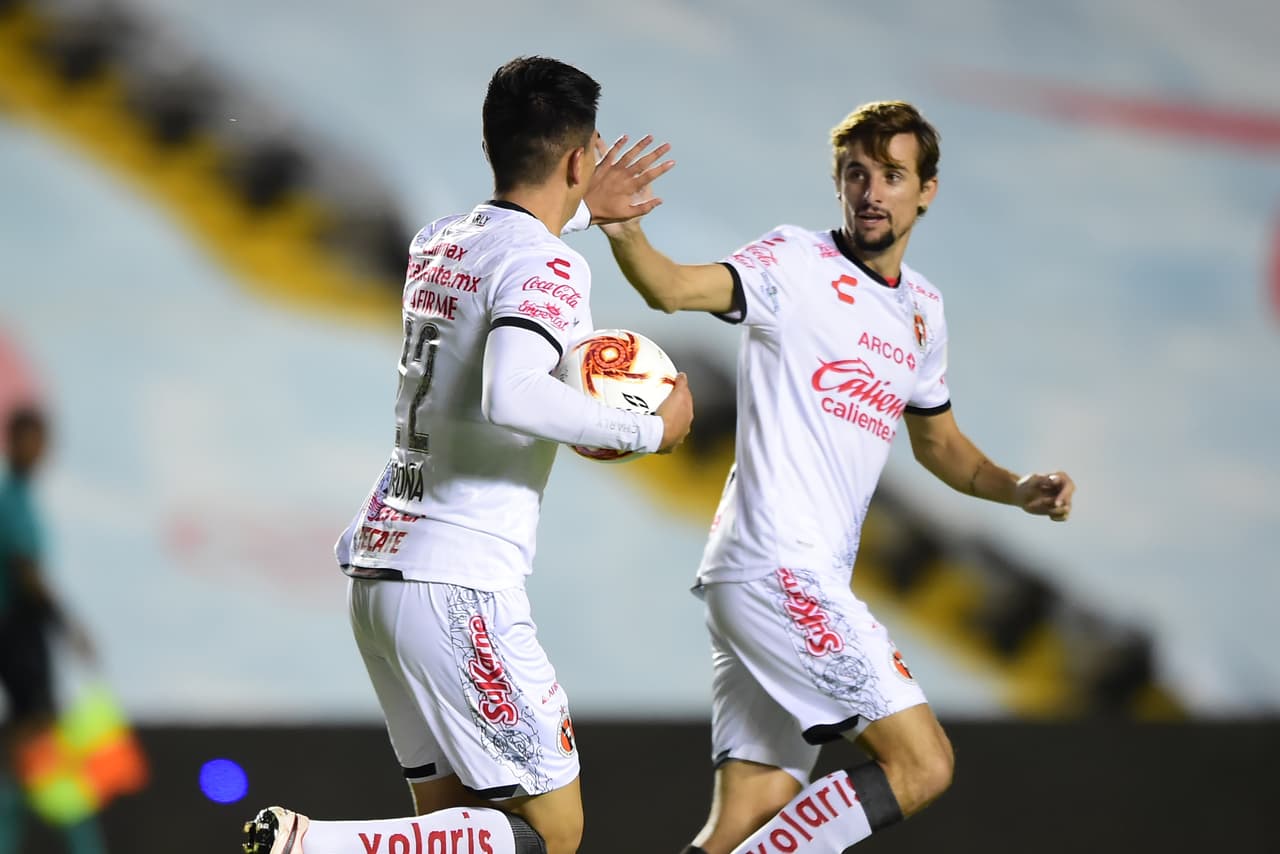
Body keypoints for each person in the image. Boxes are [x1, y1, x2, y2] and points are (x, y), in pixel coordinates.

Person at [242, 56, 693, 854]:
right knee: (553, 832)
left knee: (453, 832)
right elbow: (512, 393)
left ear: (491, 145)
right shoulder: (549, 266)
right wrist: (650, 430)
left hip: (383, 572)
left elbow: (506, 254)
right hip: (458, 582)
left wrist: (581, 212)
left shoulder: (440, 240)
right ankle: (312, 846)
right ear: (579, 160)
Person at [600, 100, 1076, 853]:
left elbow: (941, 446)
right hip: (777, 571)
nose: (871, 192)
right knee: (922, 764)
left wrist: (1016, 488)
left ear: (926, 190)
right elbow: (674, 288)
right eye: (857, 174)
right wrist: (625, 230)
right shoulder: (794, 262)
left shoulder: (922, 311)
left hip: (776, 579)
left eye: (892, 175)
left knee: (745, 823)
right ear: (838, 184)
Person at [0, 407, 105, 854]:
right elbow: (26, 572)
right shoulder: (11, 500)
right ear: (12, 442)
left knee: (28, 742)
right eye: (27, 439)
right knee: (40, 739)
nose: (35, 448)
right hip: (19, 633)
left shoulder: (23, 498)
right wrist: (67, 623)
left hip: (25, 633)